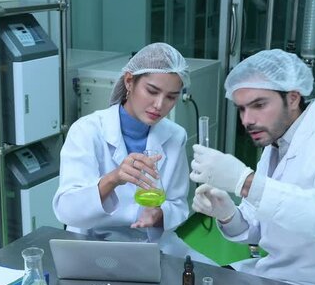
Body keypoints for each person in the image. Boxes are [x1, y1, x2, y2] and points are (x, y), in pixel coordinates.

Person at [189, 49, 315, 285]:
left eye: (259, 105)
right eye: (241, 109)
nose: (247, 120)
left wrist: (246, 183)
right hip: (275, 279)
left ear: (292, 98)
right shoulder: (277, 144)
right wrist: (227, 214)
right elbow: (258, 226)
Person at [53, 42, 214, 265]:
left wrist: (160, 216)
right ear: (129, 81)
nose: (159, 105)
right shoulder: (87, 131)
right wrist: (113, 178)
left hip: (152, 247)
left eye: (171, 97)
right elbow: (66, 211)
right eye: (152, 91)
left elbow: (178, 205)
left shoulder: (175, 136)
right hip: (91, 246)